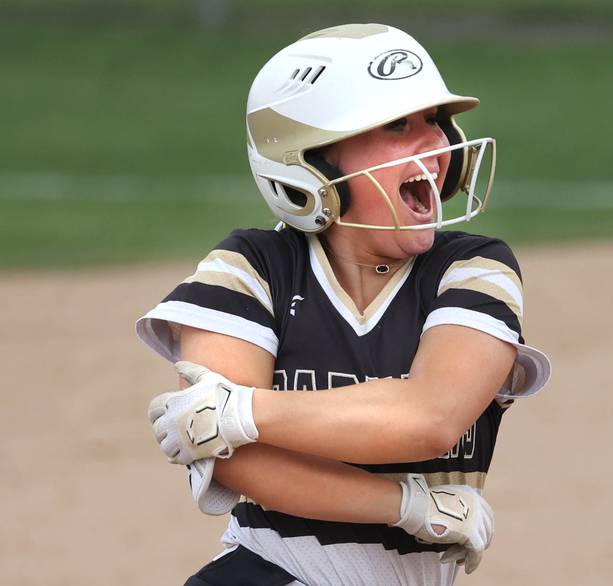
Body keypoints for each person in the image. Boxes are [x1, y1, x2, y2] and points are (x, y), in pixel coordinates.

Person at [137, 23, 551, 586]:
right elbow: (240, 461)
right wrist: (408, 506)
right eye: (397, 126)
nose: (436, 147)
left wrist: (241, 412)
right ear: (312, 163)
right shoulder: (250, 269)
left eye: (434, 122)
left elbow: (431, 417)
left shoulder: (474, 268)